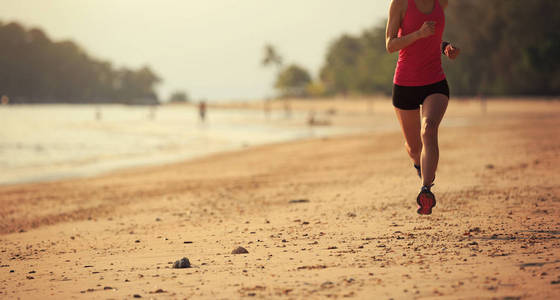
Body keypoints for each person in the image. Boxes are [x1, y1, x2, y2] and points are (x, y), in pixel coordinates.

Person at [385, 0, 460, 215]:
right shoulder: (400, 4)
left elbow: (433, 39)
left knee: (428, 129)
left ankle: (426, 189)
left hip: (435, 82)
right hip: (405, 84)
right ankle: (421, 169)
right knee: (414, 148)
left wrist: (445, 47)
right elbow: (390, 45)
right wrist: (418, 34)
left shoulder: (441, 2)